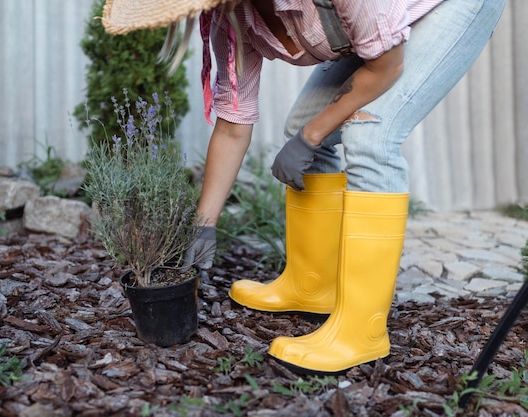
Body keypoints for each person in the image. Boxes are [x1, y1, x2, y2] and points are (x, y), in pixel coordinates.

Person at [102, 0, 506, 374]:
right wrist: (204, 222)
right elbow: (232, 126)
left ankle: (362, 331)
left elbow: (386, 66)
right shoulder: (233, 16)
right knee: (302, 126)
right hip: (382, 24)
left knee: (371, 135)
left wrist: (311, 138)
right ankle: (313, 286)